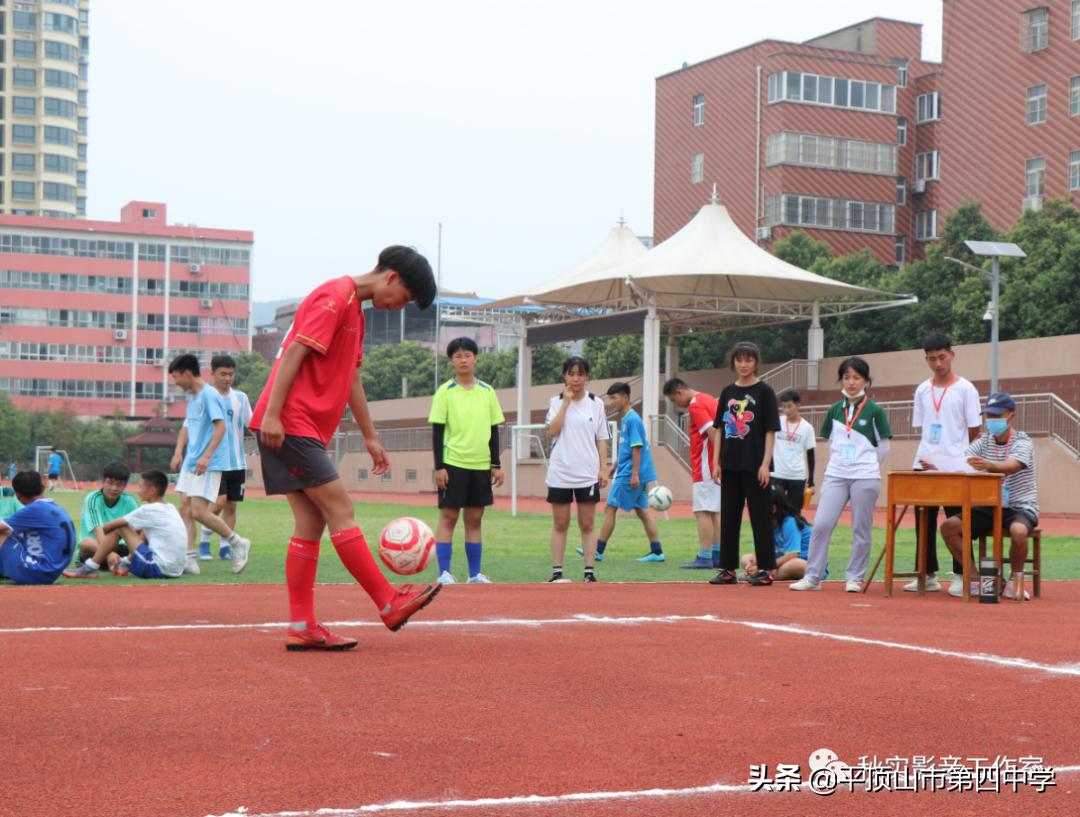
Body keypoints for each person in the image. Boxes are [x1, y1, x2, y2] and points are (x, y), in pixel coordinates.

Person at [250, 245, 442, 651]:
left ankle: (302, 624)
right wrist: (273, 414)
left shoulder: (354, 309)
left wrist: (370, 436)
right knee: (341, 509)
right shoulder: (335, 296)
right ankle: (388, 602)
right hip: (291, 423)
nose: (398, 307)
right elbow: (295, 354)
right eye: (404, 298)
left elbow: (350, 377)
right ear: (391, 278)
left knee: (311, 523)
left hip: (297, 426)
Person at [791, 358, 892, 592]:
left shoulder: (875, 410)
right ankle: (812, 576)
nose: (851, 382)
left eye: (856, 377)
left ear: (866, 380)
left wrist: (865, 465)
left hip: (865, 475)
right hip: (836, 475)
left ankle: (854, 577)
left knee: (861, 527)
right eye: (847, 377)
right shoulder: (835, 409)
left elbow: (884, 447)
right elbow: (832, 441)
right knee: (822, 524)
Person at [939, 392, 1038, 601]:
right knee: (949, 527)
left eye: (997, 415)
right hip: (989, 505)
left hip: (1020, 506)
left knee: (1019, 531)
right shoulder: (983, 440)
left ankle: (1015, 581)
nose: (992, 420)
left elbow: (1011, 466)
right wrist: (940, 464)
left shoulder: (1023, 441)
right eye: (989, 416)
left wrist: (988, 465)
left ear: (1011, 415)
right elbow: (962, 460)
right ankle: (976, 580)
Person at [905, 333, 982, 595]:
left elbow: (975, 429)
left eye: (941, 357)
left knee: (959, 521)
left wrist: (960, 458)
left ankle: (962, 575)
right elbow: (923, 428)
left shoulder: (966, 389)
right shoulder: (922, 390)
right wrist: (931, 456)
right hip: (925, 464)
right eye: (931, 359)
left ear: (952, 355)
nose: (937, 363)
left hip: (955, 467)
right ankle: (926, 574)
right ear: (925, 359)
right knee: (923, 521)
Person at [428, 337, 505, 585]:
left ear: (476, 358)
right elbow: (437, 431)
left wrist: (496, 464)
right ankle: (444, 573)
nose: (463, 360)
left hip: (480, 465)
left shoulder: (487, 391)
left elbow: (494, 430)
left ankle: (474, 574)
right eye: (458, 356)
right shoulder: (445, 392)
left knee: (474, 519)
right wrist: (439, 467)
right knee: (448, 518)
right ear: (451, 361)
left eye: (468, 355)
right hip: (453, 464)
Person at [169, 354, 252, 576]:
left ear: (187, 373)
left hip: (208, 463)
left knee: (199, 511)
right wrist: (180, 453)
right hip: (191, 463)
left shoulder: (208, 395)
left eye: (177, 377)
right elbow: (190, 428)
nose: (176, 383)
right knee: (185, 508)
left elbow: (221, 427)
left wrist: (205, 457)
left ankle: (236, 543)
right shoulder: (194, 397)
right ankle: (189, 558)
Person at [709, 341, 780, 586]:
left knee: (761, 518)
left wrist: (765, 464)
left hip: (755, 466)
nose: (743, 364)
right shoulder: (728, 392)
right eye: (739, 359)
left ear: (756, 363)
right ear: (733, 362)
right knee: (729, 518)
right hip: (730, 465)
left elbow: (771, 431)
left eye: (749, 360)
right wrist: (716, 461)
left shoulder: (765, 392)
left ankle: (766, 569)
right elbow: (719, 429)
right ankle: (728, 569)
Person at [582, 381, 663, 564]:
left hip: (630, 473)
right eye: (610, 398)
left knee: (610, 508)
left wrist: (634, 474)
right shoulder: (627, 419)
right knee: (642, 511)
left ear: (625, 398)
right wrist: (615, 465)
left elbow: (637, 447)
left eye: (614, 398)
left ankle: (598, 551)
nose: (611, 402)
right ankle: (657, 552)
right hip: (630, 470)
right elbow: (628, 446)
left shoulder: (632, 420)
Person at [544, 356, 609, 583]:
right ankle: (557, 572)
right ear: (565, 376)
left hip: (587, 473)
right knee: (560, 523)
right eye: (571, 373)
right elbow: (552, 431)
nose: (576, 378)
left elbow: (602, 438)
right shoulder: (555, 401)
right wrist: (565, 403)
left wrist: (603, 468)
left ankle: (589, 571)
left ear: (587, 376)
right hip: (561, 472)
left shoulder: (596, 403)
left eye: (580, 374)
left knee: (587, 523)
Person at [64, 470, 187, 579]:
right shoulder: (170, 507)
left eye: (140, 486)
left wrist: (110, 534)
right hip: (175, 570)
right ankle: (124, 564)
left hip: (156, 568)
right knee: (143, 529)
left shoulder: (148, 509)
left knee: (120, 527)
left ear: (152, 490)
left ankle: (90, 568)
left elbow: (109, 527)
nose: (138, 490)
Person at [197, 355, 253, 562]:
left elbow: (252, 424)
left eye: (231, 374)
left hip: (237, 461)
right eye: (223, 374)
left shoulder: (241, 398)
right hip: (215, 461)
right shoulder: (205, 397)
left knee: (231, 505)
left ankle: (225, 547)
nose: (227, 378)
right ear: (212, 374)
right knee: (218, 502)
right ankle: (204, 542)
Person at [663, 377, 722, 569]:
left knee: (703, 510)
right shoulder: (710, 399)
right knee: (714, 510)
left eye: (673, 400)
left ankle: (705, 556)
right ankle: (717, 554)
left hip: (706, 465)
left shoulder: (696, 406)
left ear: (679, 392)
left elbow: (713, 432)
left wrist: (714, 463)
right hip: (714, 464)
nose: (676, 405)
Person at [0, 471, 76, 585]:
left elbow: (3, 528)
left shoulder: (34, 509)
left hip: (36, 572)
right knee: (10, 531)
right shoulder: (52, 506)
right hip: (51, 572)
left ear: (18, 495)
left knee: (2, 533)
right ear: (42, 487)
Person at [741, 484, 811, 582]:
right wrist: (752, 562)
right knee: (745, 559)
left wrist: (767, 566)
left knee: (796, 565)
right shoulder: (763, 523)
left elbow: (792, 555)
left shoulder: (789, 522)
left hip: (801, 560)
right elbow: (758, 549)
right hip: (777, 561)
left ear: (773, 508)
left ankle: (765, 574)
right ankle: (764, 573)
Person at [74, 461, 139, 567]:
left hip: (121, 548)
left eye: (119, 484)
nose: (114, 488)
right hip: (96, 547)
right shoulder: (93, 499)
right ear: (103, 482)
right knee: (86, 543)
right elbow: (98, 530)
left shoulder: (129, 501)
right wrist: (109, 554)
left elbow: (137, 530)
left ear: (125, 486)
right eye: (110, 483)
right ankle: (115, 562)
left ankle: (122, 562)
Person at [771, 389, 816, 513]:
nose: (786, 410)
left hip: (797, 476)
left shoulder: (807, 428)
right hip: (777, 474)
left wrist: (811, 480)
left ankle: (793, 532)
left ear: (798, 406)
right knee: (773, 511)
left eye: (789, 406)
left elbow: (810, 455)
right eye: (784, 407)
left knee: (794, 513)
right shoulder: (777, 421)